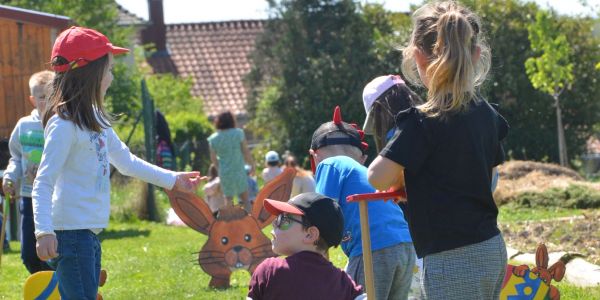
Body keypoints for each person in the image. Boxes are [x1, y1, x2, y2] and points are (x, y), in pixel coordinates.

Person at [32, 26, 201, 299]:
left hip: (87, 234)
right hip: (70, 235)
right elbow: (43, 181)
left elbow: (127, 162)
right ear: (90, 73)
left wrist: (173, 180)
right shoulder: (64, 125)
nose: (111, 76)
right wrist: (43, 232)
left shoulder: (96, 120)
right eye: (108, 69)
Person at [367, 2, 509, 299]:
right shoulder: (488, 115)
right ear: (476, 55)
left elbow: (377, 177)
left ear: (417, 57)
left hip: (449, 257)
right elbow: (490, 178)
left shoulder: (421, 122)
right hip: (492, 248)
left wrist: (406, 180)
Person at [309, 106, 415, 299]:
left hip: (372, 247)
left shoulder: (328, 165)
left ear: (314, 156)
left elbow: (321, 213)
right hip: (405, 244)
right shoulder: (362, 172)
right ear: (363, 158)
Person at [248, 192, 364, 300]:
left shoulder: (269, 271)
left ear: (310, 234)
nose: (274, 224)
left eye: (283, 220)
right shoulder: (343, 283)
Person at [2, 70, 55, 274]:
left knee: (52, 249)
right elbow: (15, 157)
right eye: (42, 97)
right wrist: (10, 177)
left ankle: (60, 284)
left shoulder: (61, 124)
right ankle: (40, 282)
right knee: (28, 253)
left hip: (54, 198)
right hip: (28, 196)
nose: (47, 102)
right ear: (32, 100)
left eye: (51, 96)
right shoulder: (24, 126)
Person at [208, 111, 255, 212]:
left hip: (225, 172)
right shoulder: (238, 133)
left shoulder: (213, 138)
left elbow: (213, 158)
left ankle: (230, 224)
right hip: (239, 170)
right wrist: (252, 165)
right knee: (245, 199)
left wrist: (219, 169)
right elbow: (245, 151)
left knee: (228, 199)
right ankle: (251, 223)